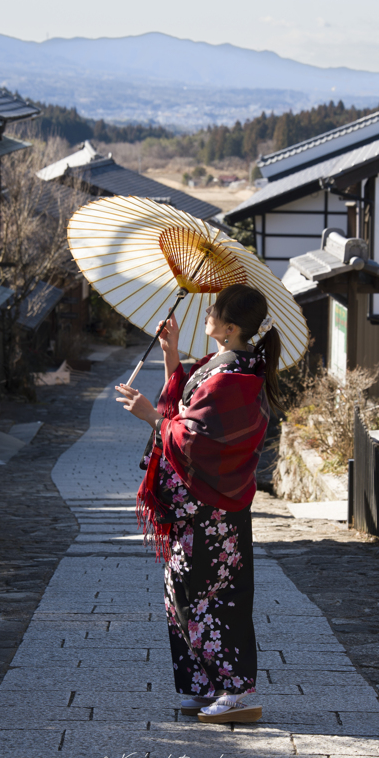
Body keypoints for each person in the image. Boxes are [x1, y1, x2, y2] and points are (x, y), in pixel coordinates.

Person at [115, 283, 281, 725]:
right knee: (182, 592)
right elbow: (187, 405)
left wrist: (152, 417)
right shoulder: (224, 366)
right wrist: (170, 354)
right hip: (198, 507)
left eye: (214, 311)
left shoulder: (232, 377)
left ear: (230, 328)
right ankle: (205, 684)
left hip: (211, 509)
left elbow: (195, 438)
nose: (206, 314)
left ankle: (237, 690)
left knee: (210, 596)